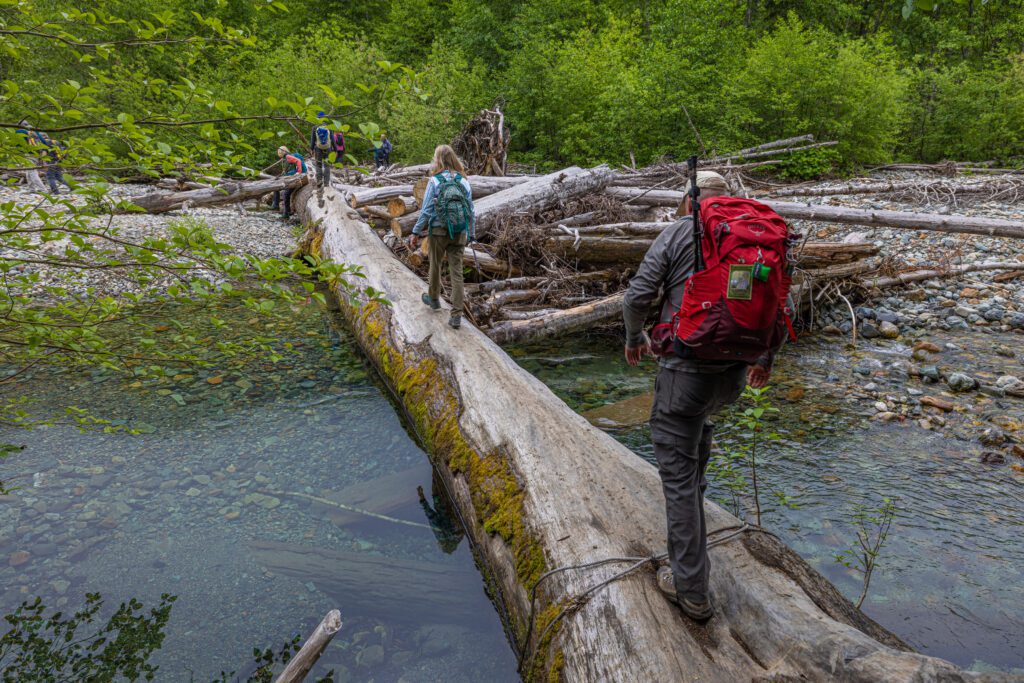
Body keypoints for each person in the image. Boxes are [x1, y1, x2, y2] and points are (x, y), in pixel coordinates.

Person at [621, 170, 777, 622]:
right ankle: (695, 548)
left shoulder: (678, 233)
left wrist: (634, 338)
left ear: (689, 201)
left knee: (679, 481)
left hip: (683, 372)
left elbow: (636, 298)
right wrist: (764, 360)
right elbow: (778, 305)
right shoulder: (753, 237)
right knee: (697, 444)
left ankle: (690, 589)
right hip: (730, 376)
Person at [409, 144, 474, 330]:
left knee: (435, 265)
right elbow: (471, 210)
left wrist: (415, 231)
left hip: (438, 230)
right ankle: (456, 315)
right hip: (460, 231)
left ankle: (434, 299)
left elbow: (427, 210)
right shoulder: (464, 181)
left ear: (437, 160)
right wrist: (472, 232)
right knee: (457, 271)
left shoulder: (435, 181)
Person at [270, 145, 306, 219]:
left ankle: (285, 212)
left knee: (286, 193)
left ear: (282, 152)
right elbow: (287, 170)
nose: (278, 153)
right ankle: (278, 206)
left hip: (297, 177)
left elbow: (298, 161)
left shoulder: (288, 157)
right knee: (278, 188)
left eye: (279, 152)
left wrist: (298, 172)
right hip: (291, 176)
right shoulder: (286, 158)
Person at [14, 120, 48, 193]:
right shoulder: (34, 132)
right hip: (37, 153)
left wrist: (19, 152)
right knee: (29, 171)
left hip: (29, 153)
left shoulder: (20, 131)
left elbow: (18, 143)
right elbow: (44, 142)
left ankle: (43, 190)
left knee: (32, 172)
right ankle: (31, 189)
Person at [309, 112, 341, 188]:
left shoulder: (315, 127)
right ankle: (326, 183)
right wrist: (335, 149)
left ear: (318, 118)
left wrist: (311, 149)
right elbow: (332, 139)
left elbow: (313, 140)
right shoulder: (328, 127)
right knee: (327, 165)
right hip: (328, 148)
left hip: (318, 149)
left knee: (318, 165)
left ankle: (319, 181)